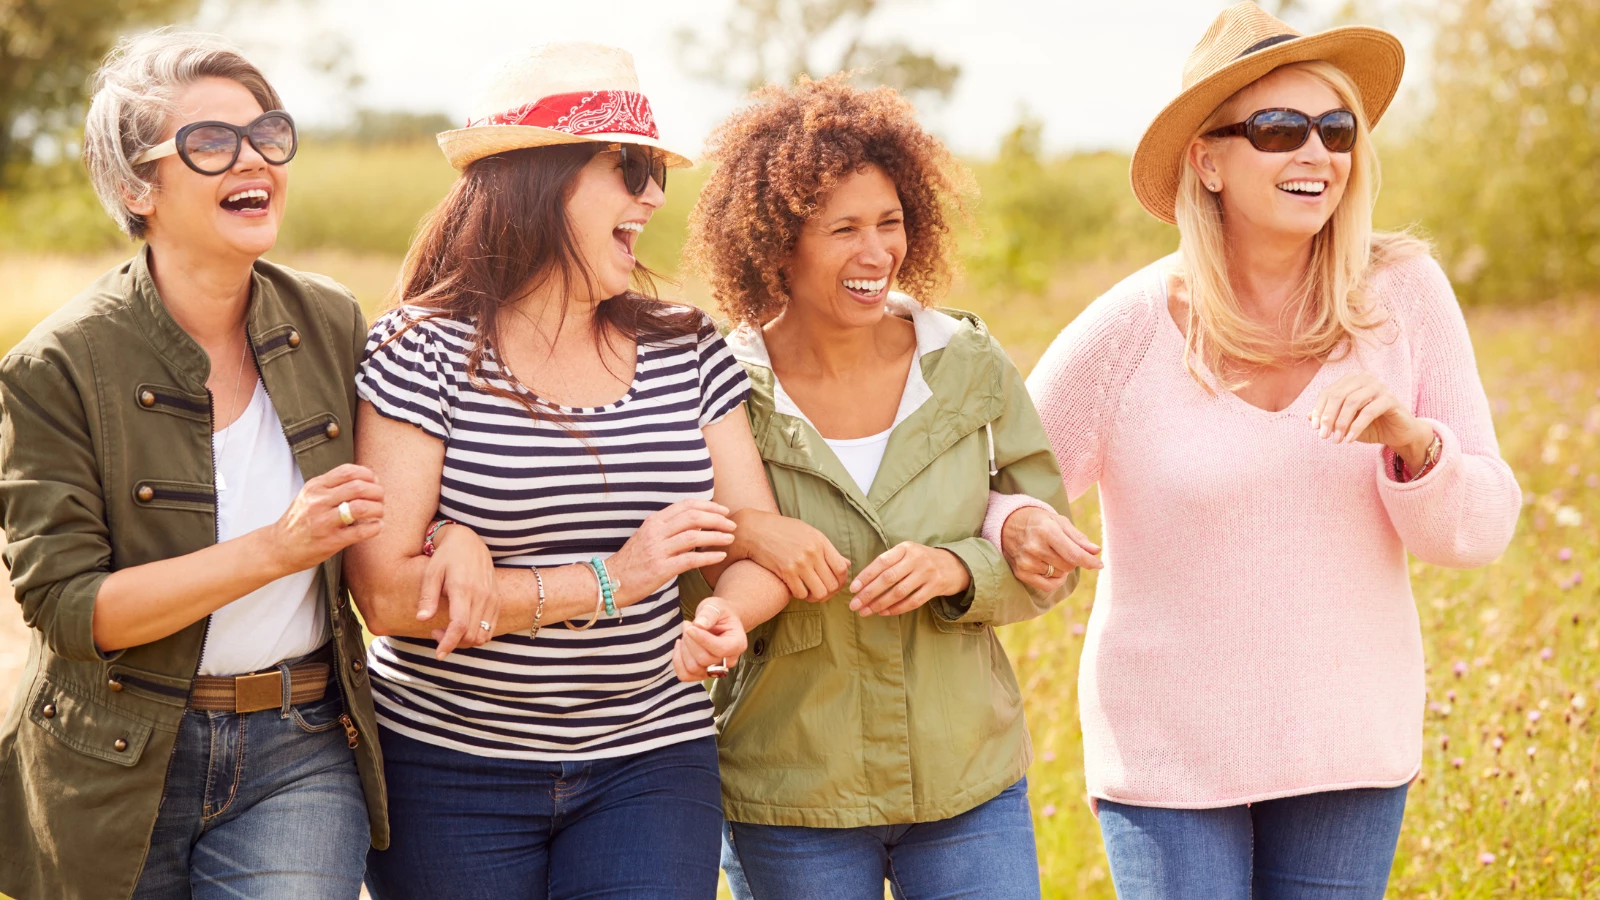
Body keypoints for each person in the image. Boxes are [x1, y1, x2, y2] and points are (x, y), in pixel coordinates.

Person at [995, 4, 1521, 897]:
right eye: (1278, 129)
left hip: (1347, 750)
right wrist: (1016, 526)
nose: (1316, 153)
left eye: (1336, 128)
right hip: (1167, 759)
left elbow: (1477, 533)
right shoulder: (1129, 326)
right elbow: (997, 479)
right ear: (1208, 160)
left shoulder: (1405, 296)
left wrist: (1412, 443)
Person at [344, 42, 790, 900]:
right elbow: (391, 600)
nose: (654, 194)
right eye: (628, 167)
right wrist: (611, 581)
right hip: (447, 768)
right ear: (538, 180)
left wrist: (729, 614)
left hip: (651, 759)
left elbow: (752, 545)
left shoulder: (687, 346)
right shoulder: (420, 349)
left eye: (654, 167)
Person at [680, 75, 1096, 900]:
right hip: (791, 790)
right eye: (844, 230)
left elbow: (1051, 556)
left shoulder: (969, 365)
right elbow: (699, 565)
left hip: (967, 780)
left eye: (890, 223)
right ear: (777, 244)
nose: (877, 254)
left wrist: (960, 570)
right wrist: (720, 605)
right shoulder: (721, 387)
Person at [0, 30, 388, 900]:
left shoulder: (332, 321)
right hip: (112, 759)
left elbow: (404, 509)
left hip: (302, 747)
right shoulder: (57, 363)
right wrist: (274, 550)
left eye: (267, 134)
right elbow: (66, 609)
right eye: (211, 143)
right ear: (138, 185)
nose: (252, 159)